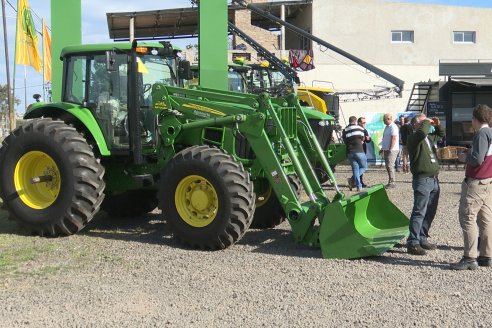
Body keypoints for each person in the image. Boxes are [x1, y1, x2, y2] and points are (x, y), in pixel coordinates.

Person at [451, 104, 492, 270]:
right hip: (488, 181)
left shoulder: (481, 134)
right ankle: (486, 255)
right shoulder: (490, 132)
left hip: (476, 182)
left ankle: (469, 257)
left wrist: (463, 156)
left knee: (468, 217)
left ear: (476, 119)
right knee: (486, 220)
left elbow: (477, 159)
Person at [406, 113, 445, 255]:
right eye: (423, 122)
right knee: (419, 211)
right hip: (422, 180)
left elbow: (441, 134)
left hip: (434, 179)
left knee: (430, 211)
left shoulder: (428, 138)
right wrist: (427, 121)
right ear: (416, 124)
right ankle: (413, 242)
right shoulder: (414, 137)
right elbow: (422, 131)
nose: (427, 125)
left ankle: (422, 237)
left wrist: (438, 124)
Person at [342, 116, 368, 192]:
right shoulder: (359, 128)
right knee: (364, 167)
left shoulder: (345, 130)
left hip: (350, 152)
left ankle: (359, 187)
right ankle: (352, 180)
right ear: (355, 121)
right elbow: (363, 139)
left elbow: (344, 140)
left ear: (349, 121)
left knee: (355, 169)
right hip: (359, 150)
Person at [380, 113, 400, 188]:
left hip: (392, 149)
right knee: (388, 166)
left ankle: (392, 182)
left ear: (388, 119)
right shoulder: (387, 127)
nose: (383, 121)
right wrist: (382, 148)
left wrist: (390, 148)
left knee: (390, 165)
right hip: (386, 149)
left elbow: (393, 138)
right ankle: (390, 181)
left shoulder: (393, 127)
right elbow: (385, 138)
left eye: (384, 120)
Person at [358, 117, 372, 187]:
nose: (364, 124)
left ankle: (359, 181)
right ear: (359, 123)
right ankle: (357, 181)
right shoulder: (356, 130)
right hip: (357, 150)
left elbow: (368, 141)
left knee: (361, 167)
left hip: (363, 150)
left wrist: (368, 139)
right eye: (363, 123)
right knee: (360, 167)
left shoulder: (364, 130)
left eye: (365, 123)